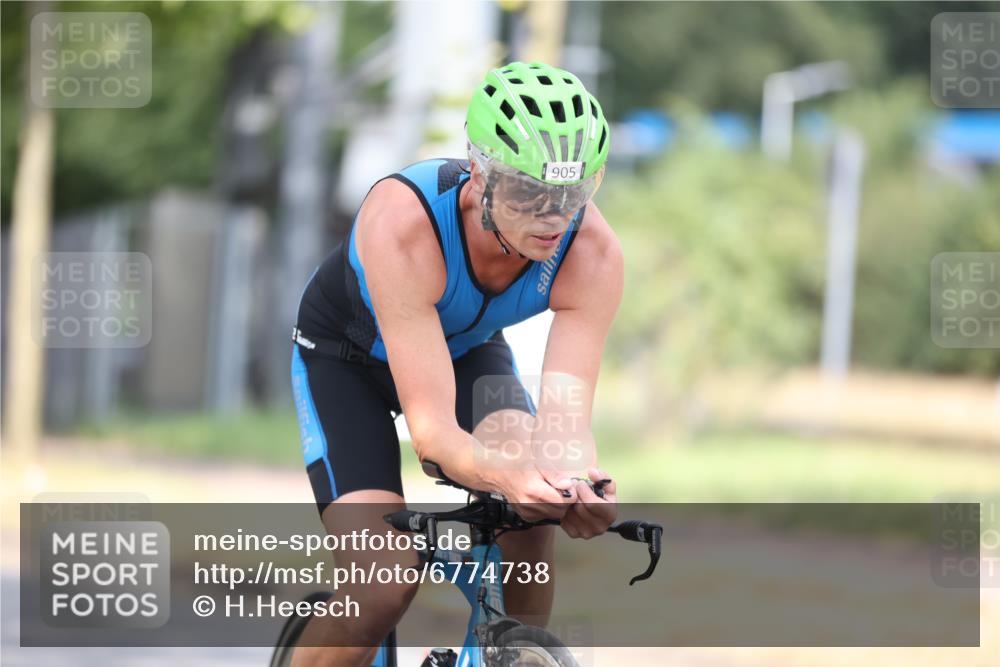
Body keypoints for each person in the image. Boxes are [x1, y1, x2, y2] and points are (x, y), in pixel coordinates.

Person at [290, 60, 623, 667]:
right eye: (530, 192)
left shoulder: (592, 252)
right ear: (480, 173)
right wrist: (504, 477)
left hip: (464, 351)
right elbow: (435, 436)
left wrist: (577, 480)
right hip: (344, 360)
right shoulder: (404, 222)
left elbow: (566, 425)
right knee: (382, 585)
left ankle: (509, 652)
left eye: (573, 195)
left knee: (533, 517)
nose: (552, 216)